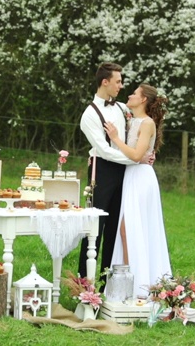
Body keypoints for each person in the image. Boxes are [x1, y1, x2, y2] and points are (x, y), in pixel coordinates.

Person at [104, 83, 172, 298]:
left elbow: (135, 155)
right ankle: (128, 279)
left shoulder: (147, 123)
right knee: (125, 230)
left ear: (143, 100)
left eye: (134, 93)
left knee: (131, 228)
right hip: (130, 176)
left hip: (141, 178)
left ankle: (135, 282)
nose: (130, 95)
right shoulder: (130, 119)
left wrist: (115, 138)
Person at [78, 62, 137, 286]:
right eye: (118, 81)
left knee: (116, 228)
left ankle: (108, 285)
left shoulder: (123, 108)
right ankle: (84, 285)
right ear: (105, 82)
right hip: (100, 171)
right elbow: (103, 150)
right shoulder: (89, 115)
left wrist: (141, 155)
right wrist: (134, 159)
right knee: (94, 229)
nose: (121, 86)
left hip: (124, 172)